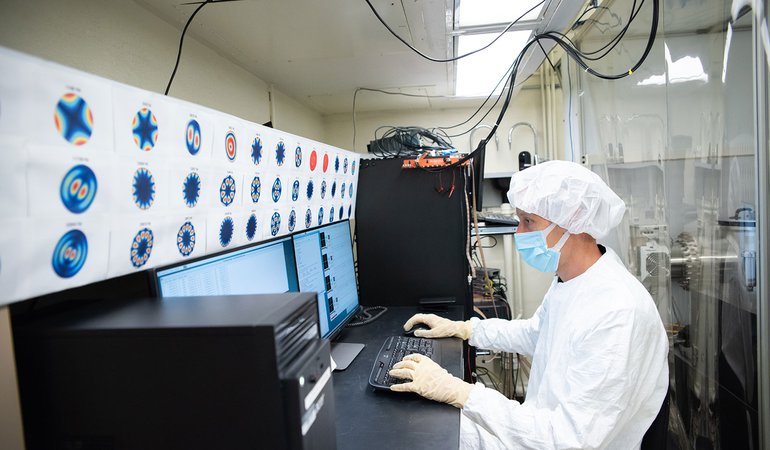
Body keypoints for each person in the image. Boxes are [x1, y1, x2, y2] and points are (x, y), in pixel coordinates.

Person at [388, 160, 669, 450]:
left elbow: (570, 440)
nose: (519, 233)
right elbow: (537, 334)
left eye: (529, 221)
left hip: (556, 440)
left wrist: (462, 393)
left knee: (429, 433)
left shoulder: (617, 313)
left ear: (572, 220)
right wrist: (466, 329)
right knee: (429, 426)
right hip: (541, 429)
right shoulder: (573, 280)